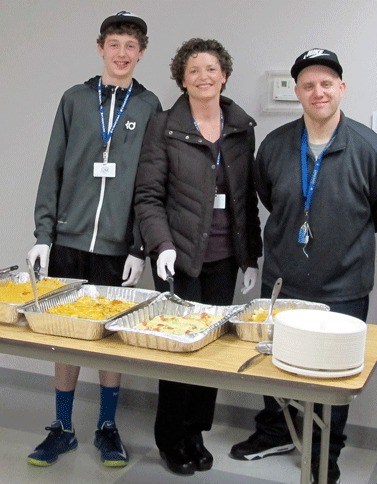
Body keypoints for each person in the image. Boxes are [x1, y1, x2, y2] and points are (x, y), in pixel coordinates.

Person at [229, 48, 377, 483]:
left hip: (343, 287)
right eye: (308, 85)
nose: (318, 92)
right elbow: (268, 198)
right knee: (274, 362)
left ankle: (327, 450)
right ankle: (274, 433)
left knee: (334, 378)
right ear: (298, 93)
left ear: (341, 88)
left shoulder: (374, 152)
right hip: (283, 280)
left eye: (327, 83)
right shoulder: (275, 146)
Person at [26, 11, 161, 467]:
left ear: (141, 53)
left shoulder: (149, 106)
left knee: (111, 338)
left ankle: (107, 425)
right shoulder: (74, 99)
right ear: (100, 47)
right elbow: (53, 168)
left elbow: (150, 184)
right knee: (65, 335)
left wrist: (140, 246)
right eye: (115, 44)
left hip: (118, 250)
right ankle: (62, 427)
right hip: (68, 239)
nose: (122, 53)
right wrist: (44, 234)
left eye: (131, 46)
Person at [134, 38, 262, 475]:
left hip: (225, 258)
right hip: (179, 256)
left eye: (211, 69)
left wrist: (251, 257)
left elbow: (245, 200)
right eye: (194, 71)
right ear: (182, 79)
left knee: (209, 350)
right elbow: (148, 196)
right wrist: (161, 245)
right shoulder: (163, 125)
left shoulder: (242, 128)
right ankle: (171, 437)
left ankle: (196, 432)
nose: (203, 77)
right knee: (179, 349)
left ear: (224, 75)